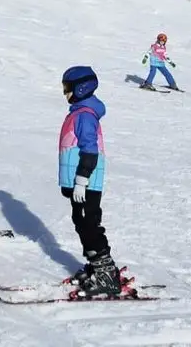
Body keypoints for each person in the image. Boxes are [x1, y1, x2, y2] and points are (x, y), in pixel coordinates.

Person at [58, 66, 125, 297]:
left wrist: (81, 180)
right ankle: (96, 266)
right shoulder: (79, 112)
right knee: (82, 220)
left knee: (89, 223)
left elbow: (89, 151)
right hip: (81, 182)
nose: (64, 92)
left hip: (86, 182)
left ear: (81, 88)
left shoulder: (85, 115)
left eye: (67, 87)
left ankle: (106, 274)